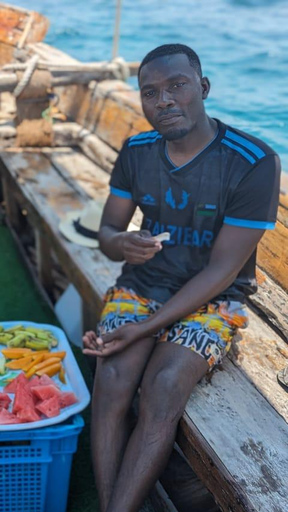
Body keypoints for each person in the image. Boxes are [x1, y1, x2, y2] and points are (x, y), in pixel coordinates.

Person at [81, 44, 281, 512]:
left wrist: (146, 330)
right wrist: (120, 243)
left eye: (177, 86)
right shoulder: (136, 150)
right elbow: (108, 231)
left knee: (166, 383)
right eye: (150, 93)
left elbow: (222, 270)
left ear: (203, 88)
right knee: (111, 374)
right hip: (142, 285)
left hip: (215, 297)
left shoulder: (253, 161)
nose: (164, 100)